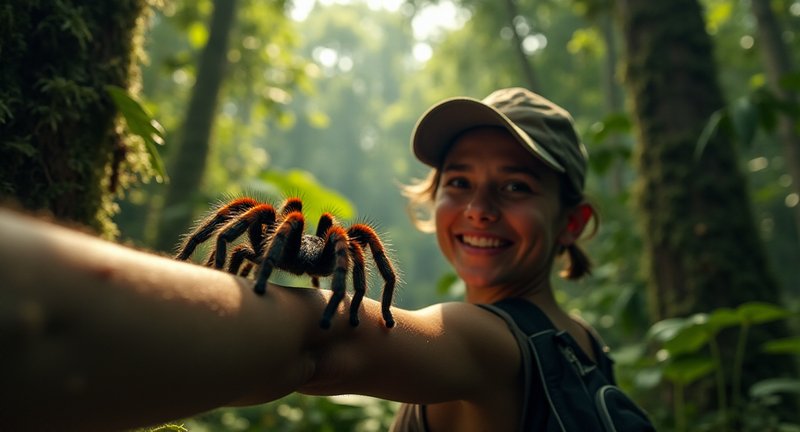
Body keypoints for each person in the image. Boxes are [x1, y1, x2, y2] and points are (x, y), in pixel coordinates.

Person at [0, 87, 598, 431]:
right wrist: (200, 263)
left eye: (516, 186)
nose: (479, 209)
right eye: (458, 182)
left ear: (573, 222)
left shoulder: (487, 344)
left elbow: (319, 344)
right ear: (431, 201)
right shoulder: (583, 344)